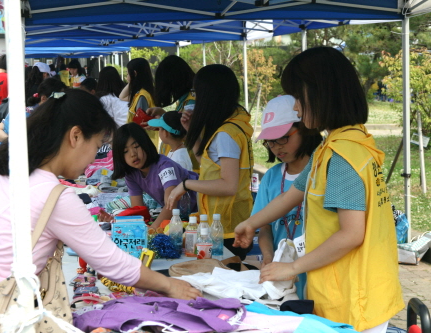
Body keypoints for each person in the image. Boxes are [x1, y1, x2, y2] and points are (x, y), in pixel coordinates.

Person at [0, 89, 201, 332]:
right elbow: (111, 263)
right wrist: (170, 285)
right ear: (76, 136)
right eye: (97, 144)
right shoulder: (54, 195)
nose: (94, 157)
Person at [233, 47, 404, 333]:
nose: (296, 108)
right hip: (354, 289)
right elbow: (293, 194)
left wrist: (290, 268)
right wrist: (251, 223)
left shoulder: (342, 156)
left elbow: (351, 234)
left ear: (321, 93)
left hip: (353, 298)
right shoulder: (340, 145)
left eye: (298, 98)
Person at [165, 64, 253, 259]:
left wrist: (186, 185)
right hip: (222, 224)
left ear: (209, 95)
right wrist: (192, 135)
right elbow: (209, 166)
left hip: (227, 227)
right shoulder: (228, 127)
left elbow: (228, 185)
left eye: (197, 93)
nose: (195, 99)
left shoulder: (226, 134)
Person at [252, 95, 322, 300]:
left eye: (283, 138)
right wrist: (267, 256)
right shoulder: (272, 177)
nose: (276, 147)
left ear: (304, 129)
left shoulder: (322, 172)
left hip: (317, 274)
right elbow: (264, 226)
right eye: (270, 142)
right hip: (281, 275)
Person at [112, 123, 198, 229]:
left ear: (145, 144)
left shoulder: (165, 166)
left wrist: (152, 229)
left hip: (199, 211)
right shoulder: (131, 174)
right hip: (181, 216)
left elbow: (171, 204)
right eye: (125, 151)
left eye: (136, 146)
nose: (133, 154)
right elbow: (138, 209)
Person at [146, 55, 199, 172]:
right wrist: (163, 116)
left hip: (187, 165)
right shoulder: (185, 98)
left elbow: (185, 129)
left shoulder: (191, 102)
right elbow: (179, 123)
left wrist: (163, 124)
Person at [0, 78, 67, 143]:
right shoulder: (24, 114)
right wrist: (16, 143)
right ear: (43, 98)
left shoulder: (55, 116)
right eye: (58, 99)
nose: (61, 103)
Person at [119, 58, 159, 148]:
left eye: (128, 73)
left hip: (142, 144)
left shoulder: (142, 96)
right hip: (143, 143)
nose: (126, 76)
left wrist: (132, 79)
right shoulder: (142, 93)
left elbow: (141, 125)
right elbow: (121, 97)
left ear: (135, 73)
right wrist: (131, 80)